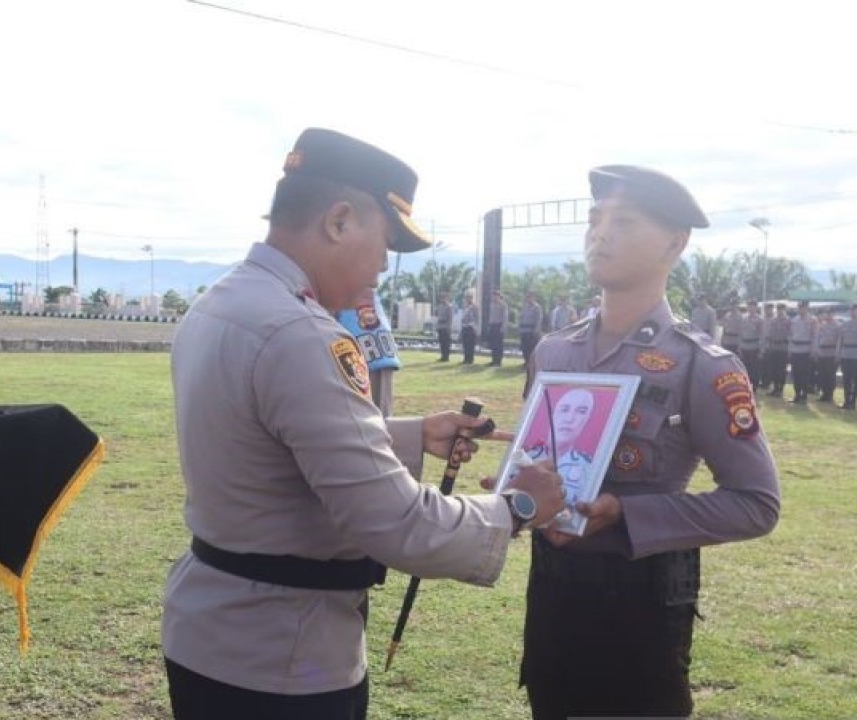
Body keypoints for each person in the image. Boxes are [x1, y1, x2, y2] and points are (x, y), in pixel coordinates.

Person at [160, 128, 566, 720]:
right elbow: (398, 522)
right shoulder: (301, 333)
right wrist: (517, 508)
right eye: (386, 243)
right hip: (283, 661)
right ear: (339, 221)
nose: (382, 266)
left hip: (210, 634)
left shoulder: (223, 302)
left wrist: (411, 434)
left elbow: (266, 439)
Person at [517, 165, 781, 719]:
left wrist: (626, 514)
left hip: (640, 610)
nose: (600, 234)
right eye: (595, 220)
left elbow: (757, 504)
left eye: (624, 222)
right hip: (552, 597)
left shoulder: (700, 365)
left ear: (675, 244)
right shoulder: (553, 352)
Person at [516, 387, 596, 509]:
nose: (569, 419)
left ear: (587, 419)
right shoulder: (525, 456)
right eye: (564, 410)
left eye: (581, 412)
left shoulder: (588, 467)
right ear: (552, 414)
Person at [836, 303, 857, 409]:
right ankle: (846, 400)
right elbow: (840, 340)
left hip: (856, 355)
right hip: (845, 354)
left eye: (856, 310)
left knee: (855, 380)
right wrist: (838, 353)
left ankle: (853, 401)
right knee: (846, 379)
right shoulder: (844, 324)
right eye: (852, 310)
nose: (853, 312)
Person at [787, 300, 817, 403]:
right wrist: (790, 350)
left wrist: (813, 350)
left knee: (805, 374)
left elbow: (814, 336)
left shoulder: (812, 320)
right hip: (795, 350)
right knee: (796, 374)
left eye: (803, 307)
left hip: (806, 350)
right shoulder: (794, 320)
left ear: (807, 308)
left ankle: (804, 395)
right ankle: (797, 394)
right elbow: (790, 336)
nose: (801, 309)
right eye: (799, 307)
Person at [814, 308, 840, 403]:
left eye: (830, 313)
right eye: (827, 313)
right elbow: (817, 338)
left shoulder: (837, 326)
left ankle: (830, 394)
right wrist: (816, 351)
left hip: (831, 352)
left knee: (830, 375)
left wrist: (837, 354)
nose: (828, 315)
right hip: (822, 352)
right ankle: (824, 393)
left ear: (834, 314)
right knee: (822, 375)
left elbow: (839, 341)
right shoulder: (821, 325)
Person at [739, 300, 764, 388]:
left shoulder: (759, 319)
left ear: (756, 307)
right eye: (749, 306)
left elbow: (761, 335)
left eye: (753, 306)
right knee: (745, 367)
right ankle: (745, 385)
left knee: (754, 369)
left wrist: (761, 350)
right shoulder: (743, 318)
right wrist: (739, 346)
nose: (751, 308)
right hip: (744, 346)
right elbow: (741, 333)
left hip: (754, 346)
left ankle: (754, 386)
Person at [518, 292, 544, 365]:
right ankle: (526, 361)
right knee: (524, 347)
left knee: (531, 347)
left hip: (532, 330)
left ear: (533, 298)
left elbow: (539, 319)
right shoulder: (524, 306)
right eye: (527, 297)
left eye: (530, 297)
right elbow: (521, 317)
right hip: (524, 330)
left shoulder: (537, 307)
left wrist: (536, 330)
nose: (528, 299)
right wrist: (519, 327)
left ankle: (531, 363)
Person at [488, 289, 509, 366]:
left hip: (499, 326)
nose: (494, 297)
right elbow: (491, 316)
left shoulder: (503, 305)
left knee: (498, 344)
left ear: (499, 296)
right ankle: (494, 360)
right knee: (493, 344)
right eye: (493, 296)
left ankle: (498, 361)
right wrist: (489, 325)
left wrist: (503, 328)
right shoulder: (492, 304)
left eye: (495, 296)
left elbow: (505, 317)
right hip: (492, 325)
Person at [460, 292, 479, 364]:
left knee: (470, 344)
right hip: (465, 326)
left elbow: (476, 318)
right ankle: (466, 358)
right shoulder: (464, 306)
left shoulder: (474, 307)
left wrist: (475, 328)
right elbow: (463, 317)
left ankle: (470, 359)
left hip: (471, 327)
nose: (467, 299)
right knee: (465, 344)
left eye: (469, 298)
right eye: (466, 298)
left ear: (471, 298)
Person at [434, 290, 453, 362]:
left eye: (444, 297)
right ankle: (443, 356)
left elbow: (450, 318)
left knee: (446, 343)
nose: (442, 299)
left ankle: (446, 357)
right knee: (441, 343)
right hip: (440, 327)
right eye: (442, 297)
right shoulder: (439, 306)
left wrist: (449, 327)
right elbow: (437, 316)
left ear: (447, 298)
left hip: (446, 327)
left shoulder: (449, 306)